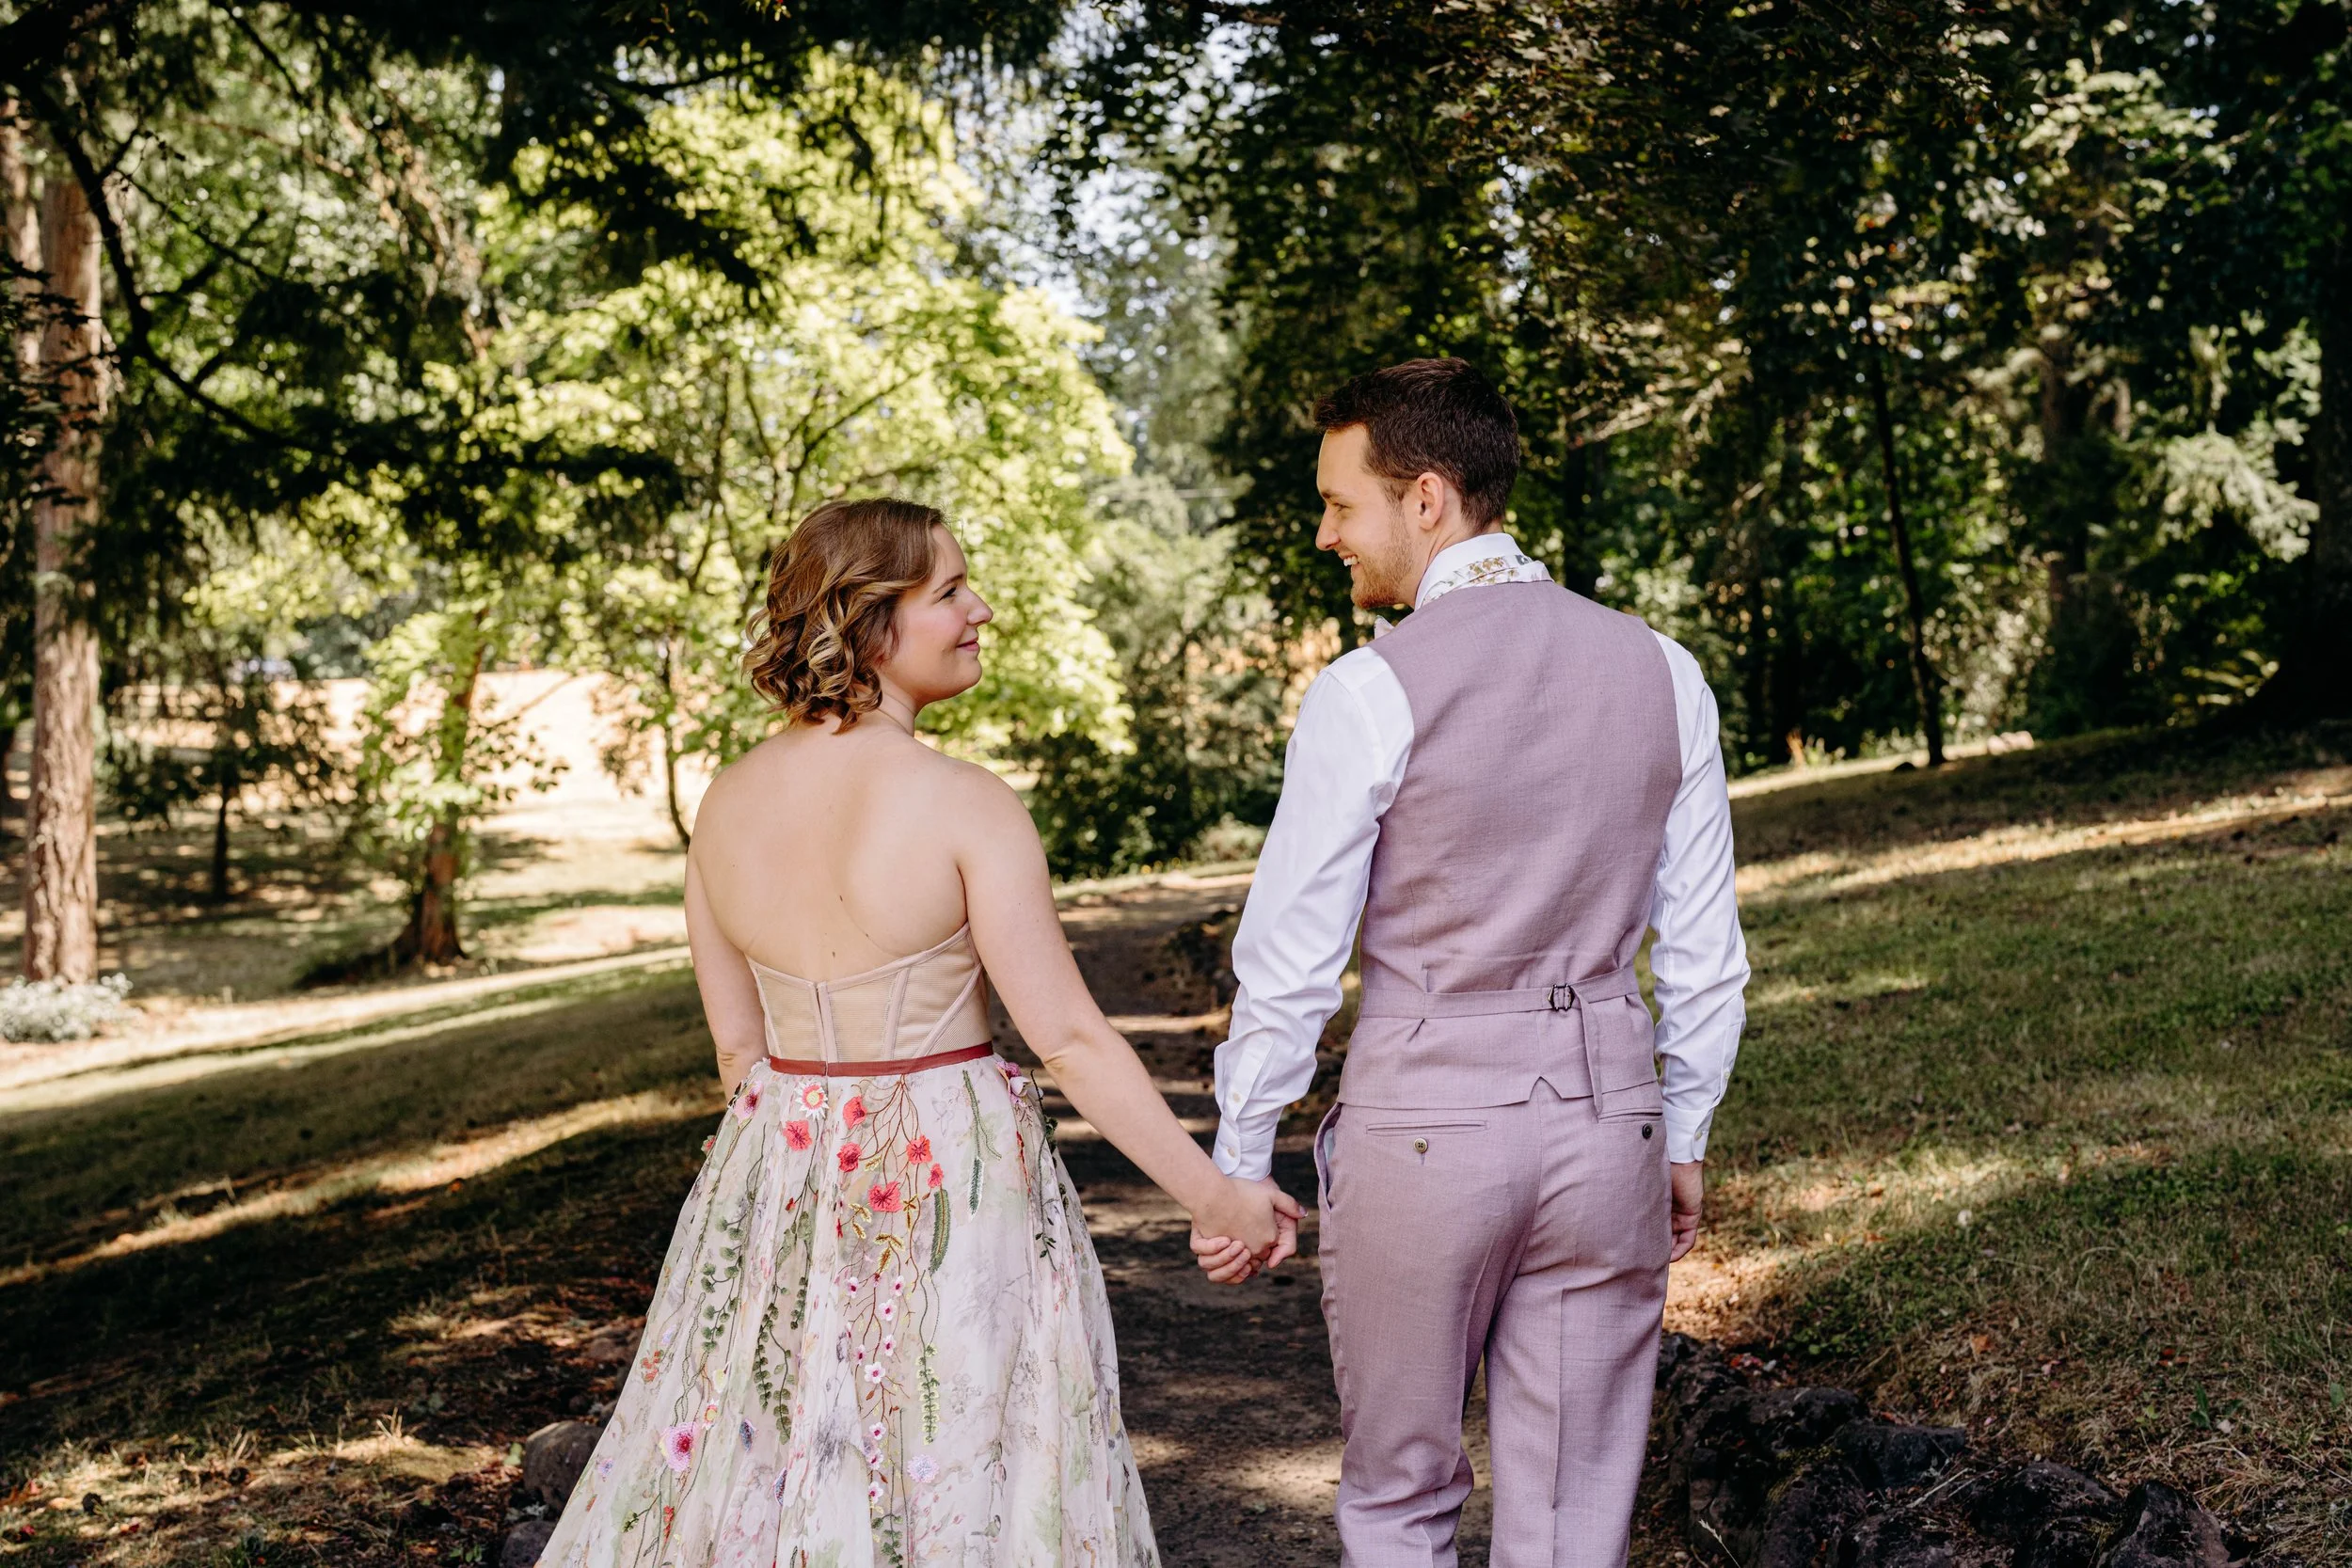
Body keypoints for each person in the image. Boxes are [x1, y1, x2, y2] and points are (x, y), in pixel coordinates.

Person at [538, 497, 1296, 1568]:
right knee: (955, 1461)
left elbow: (737, 1056)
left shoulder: (725, 805)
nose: (979, 608)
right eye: (948, 591)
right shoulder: (966, 803)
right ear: (867, 622)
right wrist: (1216, 1195)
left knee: (776, 1451)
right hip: (951, 1175)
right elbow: (1069, 1041)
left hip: (777, 1174)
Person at [1193, 359, 1749, 1567]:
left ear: (1429, 498)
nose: (1326, 531)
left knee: (1399, 1495)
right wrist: (1685, 1130)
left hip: (1428, 1124)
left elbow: (1292, 959)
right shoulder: (1663, 670)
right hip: (1610, 1125)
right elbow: (1703, 950)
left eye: (1343, 502)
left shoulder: (1367, 692)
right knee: (1570, 1516)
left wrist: (1242, 1157)